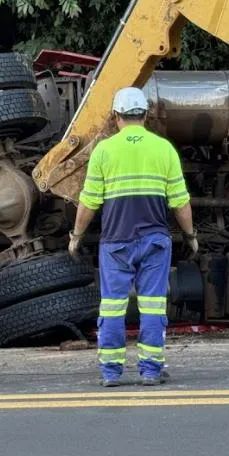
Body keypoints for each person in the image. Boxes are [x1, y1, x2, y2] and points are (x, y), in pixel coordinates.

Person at [69, 87, 196, 387]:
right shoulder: (164, 149)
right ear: (146, 114)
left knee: (112, 305)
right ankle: (151, 371)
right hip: (154, 240)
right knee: (152, 305)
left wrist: (76, 235)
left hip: (116, 242)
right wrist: (190, 235)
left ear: (115, 117)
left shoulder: (104, 151)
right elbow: (180, 202)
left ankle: (111, 373)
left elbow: (89, 202)